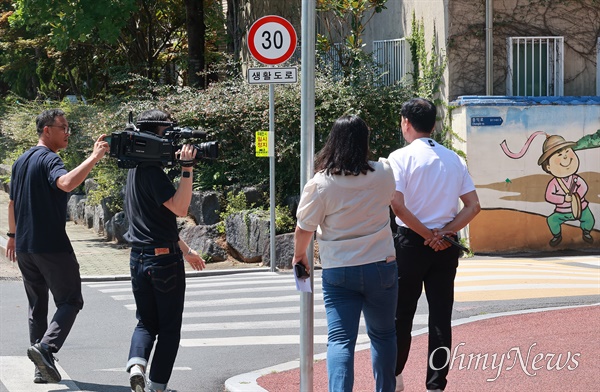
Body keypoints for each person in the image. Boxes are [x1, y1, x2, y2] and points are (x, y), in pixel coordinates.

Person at [293, 115, 398, 392]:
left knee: (340, 340)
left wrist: (299, 256)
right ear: (365, 141)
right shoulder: (384, 172)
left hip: (339, 269)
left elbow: (304, 228)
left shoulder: (321, 183)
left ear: (333, 142)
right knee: (384, 336)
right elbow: (390, 200)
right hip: (381, 265)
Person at [5, 108, 110, 384]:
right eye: (62, 127)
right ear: (46, 130)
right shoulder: (50, 159)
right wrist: (94, 157)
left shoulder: (21, 161)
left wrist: (12, 236)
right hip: (50, 244)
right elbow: (65, 183)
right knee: (71, 299)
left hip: (26, 247)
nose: (67, 132)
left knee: (37, 306)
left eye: (68, 127)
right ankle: (46, 349)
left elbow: (12, 202)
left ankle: (41, 369)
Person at [387, 98, 481, 392]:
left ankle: (395, 376)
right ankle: (436, 384)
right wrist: (444, 232)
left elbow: (397, 206)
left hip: (411, 243)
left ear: (405, 122)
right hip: (446, 245)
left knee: (401, 314)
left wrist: (426, 234)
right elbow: (473, 206)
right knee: (441, 316)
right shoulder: (453, 158)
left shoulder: (399, 158)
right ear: (434, 124)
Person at [123, 109, 206, 392]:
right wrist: (187, 168)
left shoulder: (133, 169)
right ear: (156, 132)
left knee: (146, 322)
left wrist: (185, 250)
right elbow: (180, 209)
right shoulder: (152, 172)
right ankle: (157, 387)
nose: (172, 138)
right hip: (163, 263)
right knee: (169, 329)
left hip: (139, 257)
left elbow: (158, 222)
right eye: (168, 131)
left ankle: (137, 365)